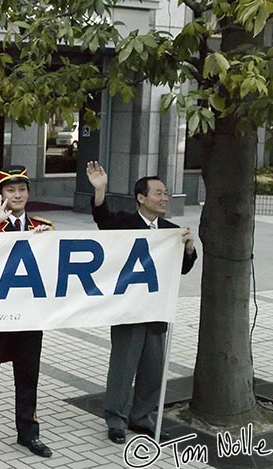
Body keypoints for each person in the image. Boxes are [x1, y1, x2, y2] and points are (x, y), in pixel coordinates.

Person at [86, 161, 197, 445]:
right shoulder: (123, 222)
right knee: (123, 366)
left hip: (157, 310)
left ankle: (142, 417)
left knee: (153, 368)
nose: (164, 198)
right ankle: (116, 420)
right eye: (158, 193)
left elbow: (183, 269)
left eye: (166, 193)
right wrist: (100, 190)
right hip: (128, 309)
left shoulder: (171, 230)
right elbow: (102, 218)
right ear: (141, 197)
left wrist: (189, 248)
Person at [0, 165, 54, 462]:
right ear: (0, 195)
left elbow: (55, 270)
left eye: (21, 190)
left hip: (29, 318)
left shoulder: (43, 227)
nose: (16, 195)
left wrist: (45, 243)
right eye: (10, 190)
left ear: (28, 193)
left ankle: (28, 433)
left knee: (28, 379)